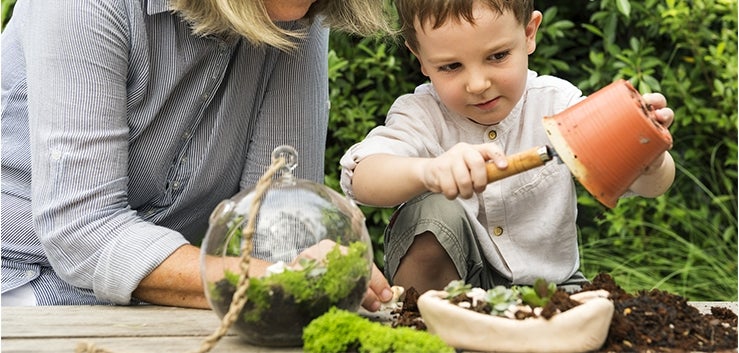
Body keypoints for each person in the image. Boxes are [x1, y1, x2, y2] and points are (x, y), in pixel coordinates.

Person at [1, 0, 395, 312]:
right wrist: (273, 279)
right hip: (19, 282)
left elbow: (278, 219)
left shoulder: (297, 13)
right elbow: (84, 231)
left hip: (159, 301)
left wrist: (308, 266)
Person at [340, 0, 676, 294]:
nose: (478, 84)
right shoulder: (421, 115)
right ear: (422, 60)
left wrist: (647, 157)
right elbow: (363, 177)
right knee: (433, 210)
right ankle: (424, 331)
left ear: (529, 33)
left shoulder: (559, 104)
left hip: (553, 290)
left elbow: (649, 186)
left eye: (498, 56)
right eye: (451, 66)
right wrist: (428, 171)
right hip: (454, 292)